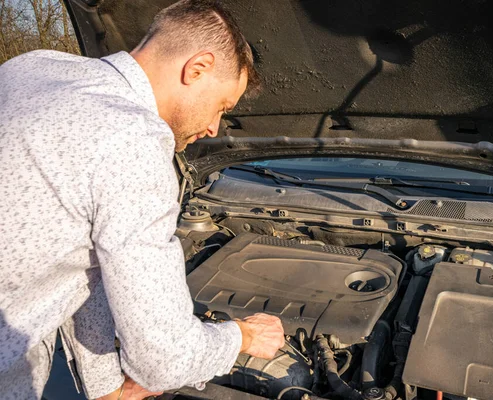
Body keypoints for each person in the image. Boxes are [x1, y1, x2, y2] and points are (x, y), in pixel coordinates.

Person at [0, 0, 285, 399]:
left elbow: (82, 265)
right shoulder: (133, 139)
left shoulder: (32, 67)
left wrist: (106, 387)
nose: (213, 127)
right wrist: (242, 336)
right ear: (197, 68)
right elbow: (164, 360)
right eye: (222, 106)